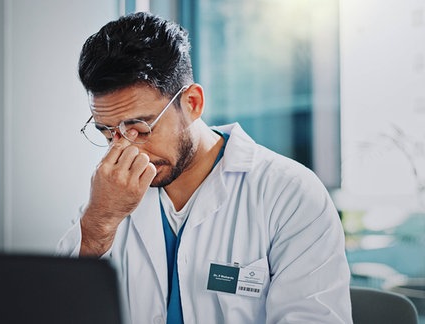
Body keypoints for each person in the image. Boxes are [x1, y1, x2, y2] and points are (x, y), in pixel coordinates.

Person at [57, 12, 352, 324]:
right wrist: (98, 224)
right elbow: (54, 308)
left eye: (141, 129)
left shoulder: (289, 194)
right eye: (108, 133)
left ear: (193, 103)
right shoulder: (109, 197)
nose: (126, 150)